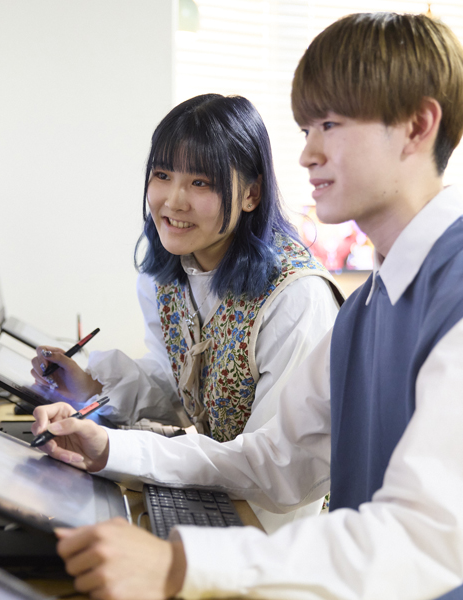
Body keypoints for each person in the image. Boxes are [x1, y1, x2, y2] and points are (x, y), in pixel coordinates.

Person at [31, 11, 463, 600]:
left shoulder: (447, 293)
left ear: (417, 126)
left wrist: (184, 567)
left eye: (330, 124)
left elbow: (424, 538)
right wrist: (112, 447)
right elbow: (271, 460)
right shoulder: (367, 308)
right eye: (307, 128)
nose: (307, 153)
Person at [32, 94, 341, 531]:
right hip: (217, 497)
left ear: (251, 194)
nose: (173, 201)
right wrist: (90, 389)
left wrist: (116, 450)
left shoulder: (295, 300)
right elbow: (174, 380)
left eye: (201, 183)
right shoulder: (171, 273)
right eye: (162, 175)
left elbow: (279, 466)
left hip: (277, 529)